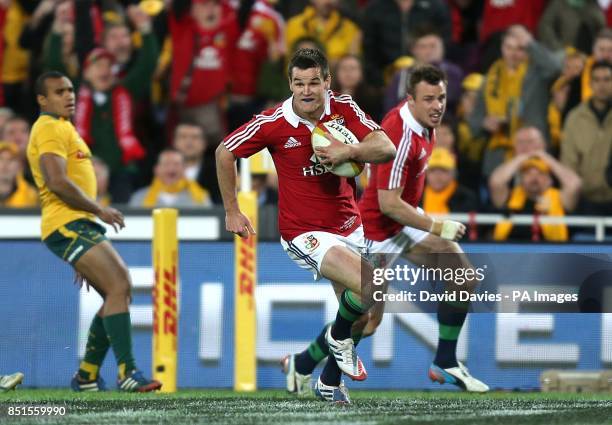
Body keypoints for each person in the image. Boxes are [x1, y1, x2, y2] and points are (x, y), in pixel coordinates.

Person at [285, 65, 489, 396]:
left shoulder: (426, 125)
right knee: (365, 321)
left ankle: (445, 361)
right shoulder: (402, 134)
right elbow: (387, 203)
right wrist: (438, 226)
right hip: (376, 231)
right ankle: (310, 367)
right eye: (429, 99)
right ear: (411, 99)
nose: (437, 105)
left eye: (441, 98)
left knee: (462, 276)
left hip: (403, 224)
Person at [217, 48, 396, 403]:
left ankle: (317, 373)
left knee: (367, 318)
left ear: (327, 82)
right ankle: (337, 343)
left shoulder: (343, 108)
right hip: (304, 232)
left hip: (349, 225)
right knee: (368, 284)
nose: (307, 90)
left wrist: (349, 152)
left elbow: (385, 146)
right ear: (291, 85)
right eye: (299, 83)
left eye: (314, 82)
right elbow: (225, 151)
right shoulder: (273, 123)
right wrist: (232, 209)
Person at [26, 71, 161, 393]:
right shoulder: (48, 128)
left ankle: (87, 376)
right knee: (120, 284)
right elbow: (57, 181)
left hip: (75, 224)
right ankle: (127, 371)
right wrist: (99, 209)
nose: (68, 96)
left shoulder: (61, 127)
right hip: (67, 223)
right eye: (59, 92)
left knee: (115, 290)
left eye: (71, 90)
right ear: (42, 100)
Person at [489, 153, 581, 242]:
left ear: (549, 181)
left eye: (540, 173)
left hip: (551, 254)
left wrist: (545, 156)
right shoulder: (510, 197)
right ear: (521, 179)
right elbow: (496, 181)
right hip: (508, 253)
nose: (534, 178)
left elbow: (574, 184)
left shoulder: (560, 198)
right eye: (528, 173)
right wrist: (522, 157)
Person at [129, 149, 212, 208]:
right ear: (156, 170)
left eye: (176, 164)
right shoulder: (139, 197)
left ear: (184, 169)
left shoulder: (201, 197)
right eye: (166, 164)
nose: (171, 169)